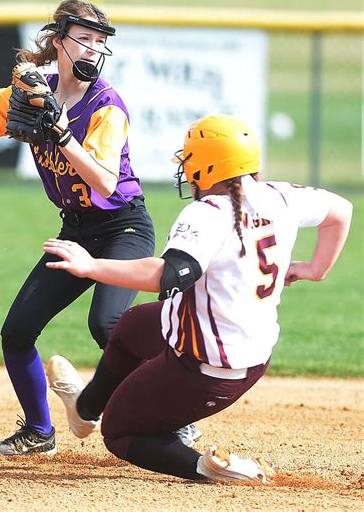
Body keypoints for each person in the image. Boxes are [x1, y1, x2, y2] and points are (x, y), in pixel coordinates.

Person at [43, 114, 353, 482]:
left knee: (120, 432)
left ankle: (206, 467)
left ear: (209, 166)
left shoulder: (209, 213)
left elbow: (166, 275)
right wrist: (316, 269)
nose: (185, 168)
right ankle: (84, 411)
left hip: (211, 365)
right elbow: (340, 211)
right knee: (132, 325)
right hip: (244, 342)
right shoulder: (280, 195)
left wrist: (92, 266)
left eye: (190, 160)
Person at [0, 0, 156, 456]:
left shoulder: (107, 105)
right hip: (76, 229)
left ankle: (173, 421)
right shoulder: (36, 91)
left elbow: (106, 181)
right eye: (84, 39)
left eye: (100, 42)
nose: (93, 49)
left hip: (123, 228)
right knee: (16, 331)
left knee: (109, 325)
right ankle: (38, 431)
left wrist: (61, 133)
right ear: (58, 41)